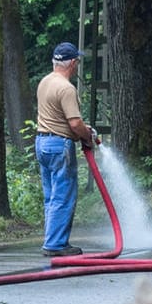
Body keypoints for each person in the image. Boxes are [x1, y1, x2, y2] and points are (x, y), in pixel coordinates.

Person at [34, 41, 99, 256]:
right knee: (63, 195)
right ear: (72, 63)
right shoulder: (66, 88)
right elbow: (73, 124)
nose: (78, 65)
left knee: (51, 195)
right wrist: (87, 136)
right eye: (77, 61)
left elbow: (58, 117)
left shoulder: (45, 82)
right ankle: (55, 245)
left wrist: (82, 129)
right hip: (59, 146)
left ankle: (51, 238)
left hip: (42, 143)